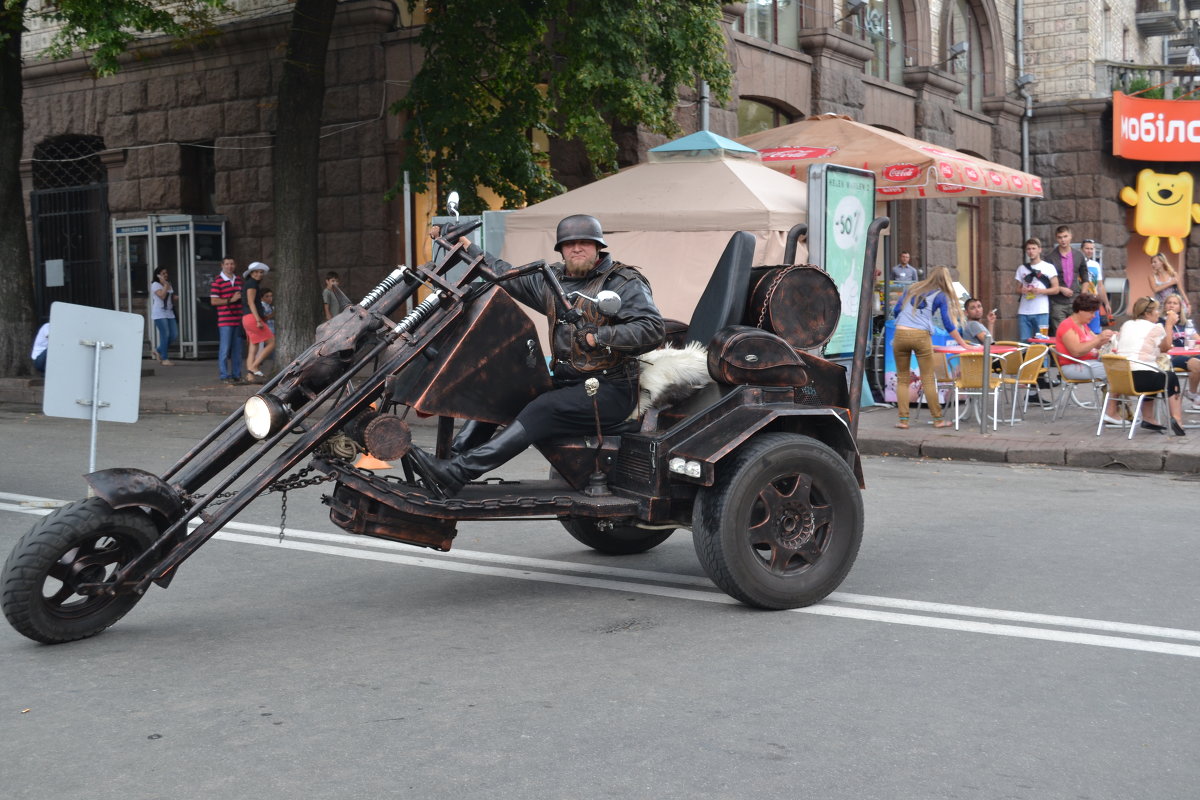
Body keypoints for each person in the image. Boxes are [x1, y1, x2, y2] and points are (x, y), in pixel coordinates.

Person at [410, 214, 666, 496]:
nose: (576, 248)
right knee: (502, 391)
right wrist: (465, 247)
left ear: (598, 246)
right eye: (569, 244)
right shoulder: (552, 281)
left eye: (584, 242)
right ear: (561, 249)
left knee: (545, 409)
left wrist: (601, 336)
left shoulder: (623, 281)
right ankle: (449, 463)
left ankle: (458, 473)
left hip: (610, 389)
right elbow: (504, 274)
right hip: (568, 383)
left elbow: (652, 328)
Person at [890, 266, 976, 430]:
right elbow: (948, 323)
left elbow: (896, 310)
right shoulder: (941, 295)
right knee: (928, 378)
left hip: (900, 333)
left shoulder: (911, 288)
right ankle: (938, 419)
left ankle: (903, 420)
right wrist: (963, 343)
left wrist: (903, 325)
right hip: (921, 336)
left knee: (902, 379)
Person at [1113, 296, 1186, 436]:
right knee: (1170, 376)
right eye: (1156, 310)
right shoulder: (1155, 328)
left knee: (1153, 371)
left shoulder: (1126, 325)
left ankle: (1149, 418)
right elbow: (1165, 348)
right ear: (1147, 313)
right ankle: (1177, 420)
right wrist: (1169, 325)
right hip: (1140, 379)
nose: (1159, 313)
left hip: (1121, 379)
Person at [1053, 293, 1121, 423]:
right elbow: (1076, 351)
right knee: (1118, 372)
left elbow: (1095, 344)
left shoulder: (1083, 325)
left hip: (1087, 363)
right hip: (1072, 366)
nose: (1094, 316)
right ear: (1080, 310)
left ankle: (1115, 411)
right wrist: (1099, 339)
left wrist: (1108, 338)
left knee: (1120, 369)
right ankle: (1111, 412)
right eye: (1091, 312)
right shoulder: (1067, 326)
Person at [1015, 237, 1058, 343]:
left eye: (1034, 248)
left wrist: (1041, 291)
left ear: (1039, 249)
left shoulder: (1049, 267)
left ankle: (1043, 361)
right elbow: (1017, 289)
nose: (1031, 251)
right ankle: (1026, 360)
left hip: (1041, 311)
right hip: (1024, 311)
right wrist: (1023, 290)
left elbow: (1056, 289)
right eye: (1028, 249)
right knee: (1024, 343)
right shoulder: (1022, 268)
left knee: (1041, 343)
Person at [210, 256, 244, 385]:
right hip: (225, 320)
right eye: (227, 264)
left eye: (232, 264)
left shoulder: (239, 280)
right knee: (224, 349)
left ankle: (236, 374)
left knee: (237, 350)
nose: (230, 266)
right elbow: (214, 301)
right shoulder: (217, 281)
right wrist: (231, 300)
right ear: (222, 265)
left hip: (238, 319)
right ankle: (224, 375)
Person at [1160, 294, 1200, 406]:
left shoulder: (1186, 323)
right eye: (1169, 303)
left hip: (1186, 354)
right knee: (1197, 364)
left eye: (1175, 303)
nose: (1171, 305)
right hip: (1170, 357)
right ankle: (1193, 395)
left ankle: (1193, 394)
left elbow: (1198, 340)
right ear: (1164, 306)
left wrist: (1197, 345)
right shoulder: (1160, 322)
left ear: (1180, 307)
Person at [1043, 225, 1082, 335]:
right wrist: (1060, 288)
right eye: (1060, 237)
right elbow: (1045, 282)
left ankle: (1075, 352)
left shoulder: (1079, 255)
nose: (1063, 240)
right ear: (1056, 238)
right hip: (1058, 302)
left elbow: (1085, 277)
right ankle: (1060, 352)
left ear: (1071, 236)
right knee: (1061, 333)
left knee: (1076, 332)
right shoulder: (1050, 257)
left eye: (1065, 236)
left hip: (1075, 300)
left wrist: (1082, 296)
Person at [241, 262, 275, 381]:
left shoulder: (250, 284)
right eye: (256, 272)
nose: (259, 274)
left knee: (253, 347)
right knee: (272, 342)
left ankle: (250, 376)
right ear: (251, 273)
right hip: (252, 318)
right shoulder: (252, 284)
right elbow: (251, 303)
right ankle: (254, 367)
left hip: (247, 318)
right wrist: (258, 320)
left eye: (261, 272)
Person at [1079, 239, 1110, 334]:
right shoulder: (1077, 263)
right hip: (1081, 302)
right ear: (1081, 249)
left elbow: (1100, 286)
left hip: (1093, 302)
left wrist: (1106, 303)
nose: (1089, 251)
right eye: (1087, 248)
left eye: (1091, 249)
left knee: (1095, 332)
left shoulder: (1095, 264)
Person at [150, 267, 178, 366]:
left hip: (169, 313)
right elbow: (161, 295)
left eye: (166, 273)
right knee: (165, 335)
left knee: (174, 334)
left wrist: (174, 297)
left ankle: (158, 350)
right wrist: (165, 284)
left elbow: (169, 296)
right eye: (163, 273)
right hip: (159, 313)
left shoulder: (168, 284)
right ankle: (165, 358)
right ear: (158, 275)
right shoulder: (155, 285)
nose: (165, 275)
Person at [1149, 252, 1190, 318]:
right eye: (1152, 262)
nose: (1152, 264)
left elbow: (1180, 289)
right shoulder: (1152, 277)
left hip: (1174, 304)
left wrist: (1188, 304)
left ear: (1162, 262)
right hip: (1161, 305)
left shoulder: (1173, 274)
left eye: (1155, 262)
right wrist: (1171, 283)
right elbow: (1155, 289)